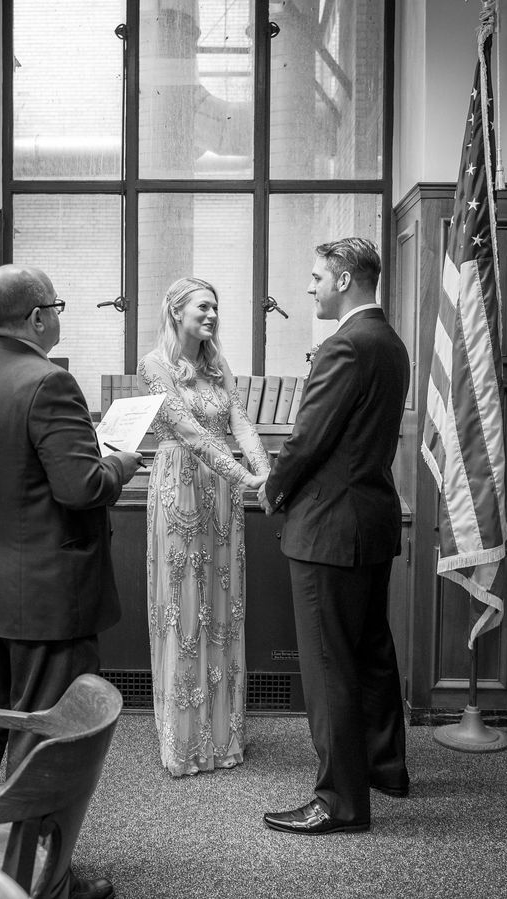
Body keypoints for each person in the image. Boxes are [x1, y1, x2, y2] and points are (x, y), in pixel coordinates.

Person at [0, 263, 142, 899]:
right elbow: (80, 488)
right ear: (35, 318)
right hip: (46, 597)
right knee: (46, 738)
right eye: (56, 305)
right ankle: (44, 880)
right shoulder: (51, 382)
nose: (58, 315)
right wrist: (120, 465)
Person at [258, 238, 410, 835]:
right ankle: (384, 768)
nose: (312, 287)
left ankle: (340, 802)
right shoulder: (388, 341)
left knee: (329, 667)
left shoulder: (345, 344)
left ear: (345, 278)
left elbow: (308, 438)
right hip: (369, 521)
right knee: (371, 653)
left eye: (318, 276)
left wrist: (274, 485)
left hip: (329, 527)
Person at [137, 277, 270, 777]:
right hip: (182, 486)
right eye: (203, 306)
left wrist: (265, 474)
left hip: (222, 495)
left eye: (216, 306)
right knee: (182, 607)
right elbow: (189, 433)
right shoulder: (155, 364)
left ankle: (221, 736)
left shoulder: (219, 364)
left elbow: (241, 423)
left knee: (222, 605)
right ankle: (184, 741)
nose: (212, 315)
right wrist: (246, 476)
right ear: (176, 312)